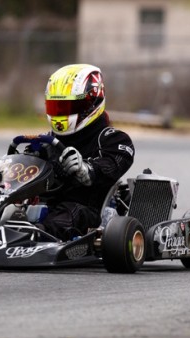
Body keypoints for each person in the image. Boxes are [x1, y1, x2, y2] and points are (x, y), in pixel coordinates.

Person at [38, 63, 135, 241]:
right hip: (46, 206)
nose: (60, 113)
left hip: (88, 210)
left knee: (68, 214)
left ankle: (37, 235)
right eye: (56, 107)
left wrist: (87, 169)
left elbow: (111, 165)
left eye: (67, 107)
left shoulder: (114, 139)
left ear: (91, 104)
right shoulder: (45, 142)